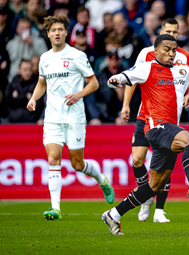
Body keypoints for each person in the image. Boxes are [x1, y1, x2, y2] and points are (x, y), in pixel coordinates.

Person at [102, 34, 189, 235]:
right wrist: (115, 80)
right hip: (155, 126)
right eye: (166, 49)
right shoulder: (147, 67)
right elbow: (122, 78)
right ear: (156, 50)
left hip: (169, 129)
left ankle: (114, 214)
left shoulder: (182, 70)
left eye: (174, 49)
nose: (171, 53)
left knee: (154, 185)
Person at [26, 13, 115, 221]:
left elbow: (93, 83)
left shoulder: (77, 55)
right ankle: (55, 209)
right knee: (53, 157)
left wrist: (78, 95)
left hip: (74, 117)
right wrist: (33, 99)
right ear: (48, 34)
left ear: (66, 33)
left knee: (77, 164)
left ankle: (101, 179)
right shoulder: (45, 58)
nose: (57, 33)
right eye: (53, 30)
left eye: (60, 29)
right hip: (52, 118)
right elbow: (42, 83)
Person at [121, 18, 189, 224]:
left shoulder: (185, 57)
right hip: (144, 115)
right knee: (137, 160)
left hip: (168, 117)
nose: (172, 35)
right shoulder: (146, 53)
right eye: (168, 31)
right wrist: (126, 104)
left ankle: (160, 210)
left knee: (165, 160)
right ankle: (145, 198)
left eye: (175, 32)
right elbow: (132, 77)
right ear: (160, 33)